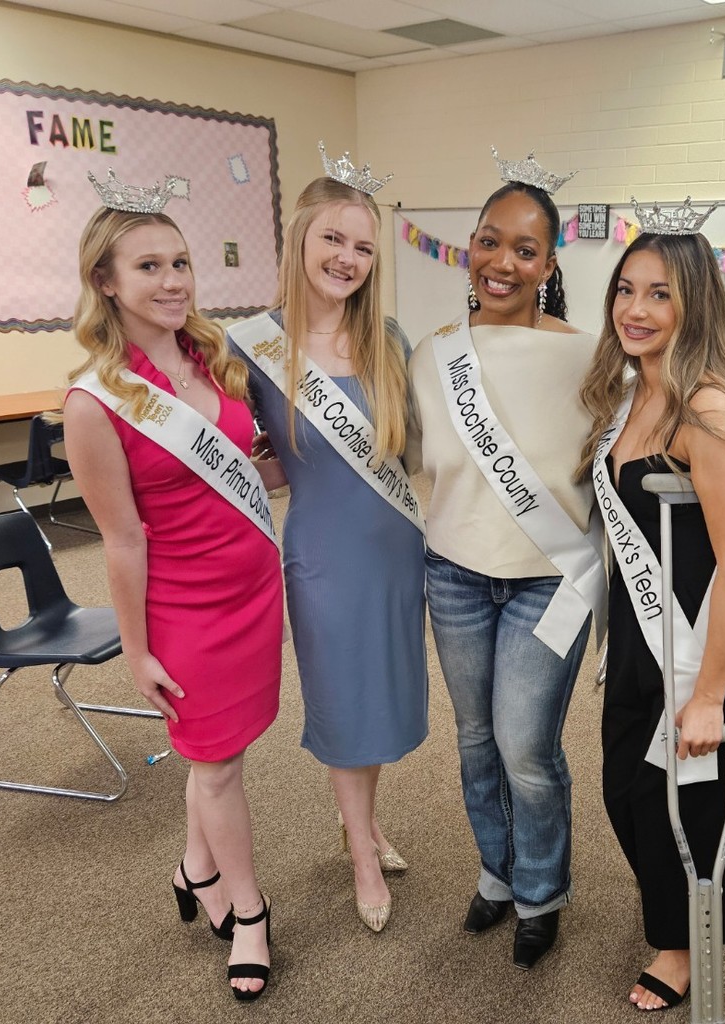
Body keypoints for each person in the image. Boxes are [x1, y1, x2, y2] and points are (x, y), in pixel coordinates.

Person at [63, 175, 283, 1001]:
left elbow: (243, 475)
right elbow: (122, 540)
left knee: (218, 751)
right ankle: (250, 913)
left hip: (254, 590)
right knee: (217, 765)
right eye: (148, 266)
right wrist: (138, 650)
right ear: (105, 281)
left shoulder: (211, 361)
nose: (172, 281)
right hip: (185, 612)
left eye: (180, 262)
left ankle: (195, 867)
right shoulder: (94, 403)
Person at [575, 200, 725, 1011]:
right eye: (626, 290)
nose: (636, 309)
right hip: (638, 629)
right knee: (624, 789)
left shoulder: (707, 409)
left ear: (694, 303)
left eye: (660, 293)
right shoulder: (631, 395)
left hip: (700, 637)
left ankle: (680, 944)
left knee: (680, 802)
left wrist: (707, 695)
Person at [407, 149, 606, 970]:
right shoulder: (432, 354)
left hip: (549, 584)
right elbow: (408, 457)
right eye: (490, 241)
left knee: (527, 747)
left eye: (526, 249)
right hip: (454, 574)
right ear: (471, 247)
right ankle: (497, 874)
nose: (503, 262)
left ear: (549, 265)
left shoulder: (592, 358)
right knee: (475, 741)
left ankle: (542, 890)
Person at [228, 146, 427, 934]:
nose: (347, 259)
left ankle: (362, 825)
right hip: (324, 555)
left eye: (363, 247)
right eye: (333, 240)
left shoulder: (390, 339)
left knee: (379, 697)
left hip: (395, 550)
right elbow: (256, 460)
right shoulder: (254, 347)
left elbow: (406, 450)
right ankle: (362, 857)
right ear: (301, 242)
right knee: (344, 702)